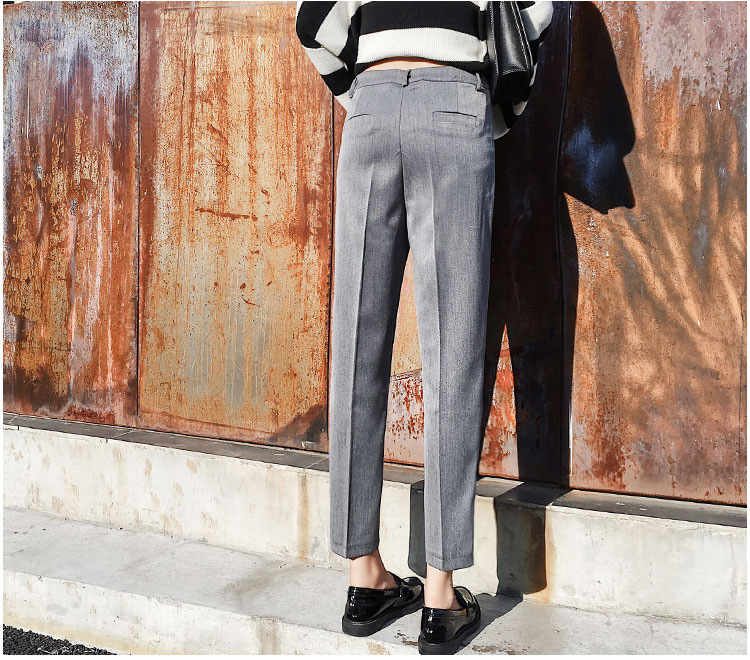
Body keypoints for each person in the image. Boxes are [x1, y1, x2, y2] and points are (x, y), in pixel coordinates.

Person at [295, 1, 553, 654]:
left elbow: (313, 20)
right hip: (454, 105)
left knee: (357, 351)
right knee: (452, 352)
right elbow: (537, 14)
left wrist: (368, 96)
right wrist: (490, 109)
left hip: (373, 107)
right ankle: (439, 595)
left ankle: (363, 577)